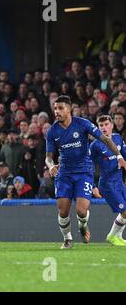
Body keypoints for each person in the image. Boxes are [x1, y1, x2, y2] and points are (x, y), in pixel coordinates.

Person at [45, 96, 126, 249]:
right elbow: (48, 157)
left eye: (60, 108)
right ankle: (68, 239)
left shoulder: (82, 124)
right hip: (64, 174)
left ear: (69, 109)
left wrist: (119, 157)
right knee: (63, 211)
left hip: (83, 172)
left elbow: (106, 140)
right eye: (55, 108)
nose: (57, 111)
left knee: (82, 211)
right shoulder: (52, 131)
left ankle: (83, 226)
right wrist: (50, 166)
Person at [89, 115, 126, 246]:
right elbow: (89, 166)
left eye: (106, 125)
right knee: (125, 211)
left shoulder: (117, 138)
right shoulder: (95, 145)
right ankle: (111, 236)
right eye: (101, 126)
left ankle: (118, 236)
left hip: (119, 182)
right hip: (107, 184)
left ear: (112, 125)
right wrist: (93, 185)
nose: (104, 128)